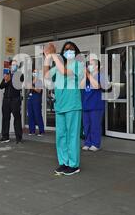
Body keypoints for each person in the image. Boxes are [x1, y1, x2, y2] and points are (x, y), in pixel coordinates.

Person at [43, 41, 84, 176]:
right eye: (66, 49)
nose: (68, 51)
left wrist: (54, 55)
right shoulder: (60, 65)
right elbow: (46, 75)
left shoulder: (79, 65)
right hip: (60, 105)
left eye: (71, 49)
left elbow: (64, 72)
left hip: (72, 105)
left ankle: (73, 165)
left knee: (72, 136)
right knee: (61, 136)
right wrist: (47, 57)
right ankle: (64, 162)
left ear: (75, 52)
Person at [81, 58, 105, 152]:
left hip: (96, 106)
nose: (89, 66)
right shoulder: (86, 78)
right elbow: (81, 86)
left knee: (95, 125)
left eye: (91, 64)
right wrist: (84, 76)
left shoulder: (101, 76)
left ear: (97, 67)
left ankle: (95, 144)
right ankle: (87, 142)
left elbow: (97, 86)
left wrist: (88, 74)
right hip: (86, 106)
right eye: (88, 65)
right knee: (86, 126)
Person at [0, 60, 23, 143]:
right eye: (12, 65)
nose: (13, 66)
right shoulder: (6, 75)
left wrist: (9, 79)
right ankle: (5, 136)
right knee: (5, 118)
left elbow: (17, 86)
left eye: (15, 65)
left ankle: (18, 138)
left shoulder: (19, 75)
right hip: (6, 99)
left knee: (17, 118)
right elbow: (1, 86)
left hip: (15, 99)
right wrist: (6, 80)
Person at [27, 69, 45, 136]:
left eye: (35, 72)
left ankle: (41, 131)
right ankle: (32, 130)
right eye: (33, 72)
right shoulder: (31, 81)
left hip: (36, 98)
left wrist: (32, 87)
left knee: (37, 114)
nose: (34, 73)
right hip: (30, 98)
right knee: (30, 114)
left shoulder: (39, 81)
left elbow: (39, 91)